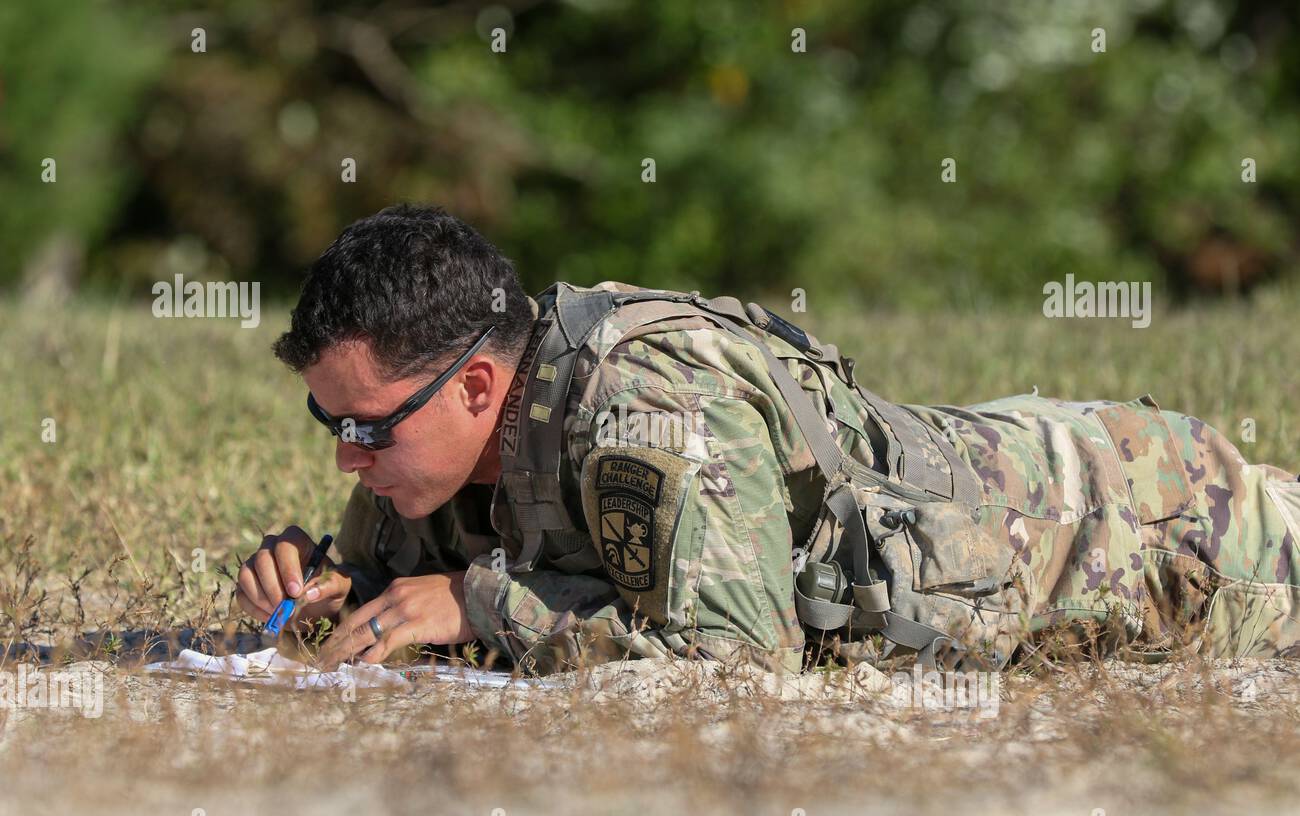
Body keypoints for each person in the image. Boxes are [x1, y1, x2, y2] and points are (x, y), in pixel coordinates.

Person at [236, 204, 1300, 674]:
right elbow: (393, 587)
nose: (346, 456)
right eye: (330, 422)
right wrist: (318, 581)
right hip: (1034, 471)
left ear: (475, 384)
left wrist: (479, 603)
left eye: (368, 426)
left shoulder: (647, 411)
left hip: (1142, 522)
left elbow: (734, 657)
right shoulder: (427, 443)